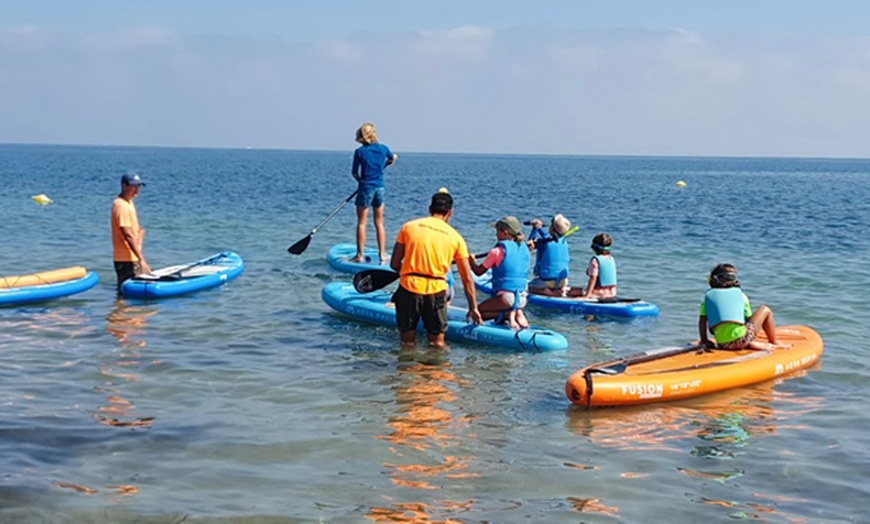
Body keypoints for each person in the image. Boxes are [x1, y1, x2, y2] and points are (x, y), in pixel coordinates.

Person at [390, 191, 483, 348]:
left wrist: (408, 271)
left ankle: (407, 371)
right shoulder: (456, 238)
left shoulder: (408, 227)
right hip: (437, 291)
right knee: (437, 343)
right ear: (450, 213)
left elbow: (394, 263)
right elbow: (467, 279)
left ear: (429, 209)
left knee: (407, 343)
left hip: (409, 287)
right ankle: (438, 371)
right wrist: (473, 307)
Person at [699, 263, 787, 351]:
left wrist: (704, 340)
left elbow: (702, 322)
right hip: (741, 340)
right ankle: (774, 341)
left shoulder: (708, 298)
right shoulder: (741, 296)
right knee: (765, 309)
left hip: (722, 343)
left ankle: (748, 343)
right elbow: (748, 320)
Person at [469, 216, 531, 329]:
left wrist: (471, 262)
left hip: (507, 298)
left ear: (504, 233)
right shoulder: (525, 248)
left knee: (476, 312)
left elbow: (478, 272)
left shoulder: (496, 251)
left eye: (497, 231)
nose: (496, 235)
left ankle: (507, 314)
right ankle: (516, 312)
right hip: (522, 297)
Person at [351, 122, 398, 265]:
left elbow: (354, 173)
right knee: (379, 223)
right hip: (379, 188)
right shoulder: (383, 148)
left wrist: (360, 181)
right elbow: (392, 157)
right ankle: (382, 254)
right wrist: (391, 161)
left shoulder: (360, 152)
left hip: (366, 188)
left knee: (362, 223)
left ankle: (359, 255)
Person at [111, 172, 151, 292]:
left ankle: (120, 309)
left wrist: (140, 236)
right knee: (127, 293)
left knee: (128, 295)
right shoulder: (121, 205)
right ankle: (120, 310)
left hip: (131, 257)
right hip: (126, 259)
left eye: (138, 186)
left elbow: (132, 233)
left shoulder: (129, 202)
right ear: (124, 186)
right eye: (133, 186)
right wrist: (141, 259)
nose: (137, 190)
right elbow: (127, 234)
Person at [527, 214, 577, 297]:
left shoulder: (545, 243)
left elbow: (530, 244)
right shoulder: (563, 241)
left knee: (530, 287)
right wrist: (539, 229)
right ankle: (559, 290)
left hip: (547, 280)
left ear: (552, 228)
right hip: (563, 281)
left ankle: (548, 292)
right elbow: (547, 238)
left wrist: (535, 229)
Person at [581, 232, 617, 299]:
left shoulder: (595, 260)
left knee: (572, 291)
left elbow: (593, 279)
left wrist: (587, 295)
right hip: (612, 292)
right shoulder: (611, 259)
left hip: (599, 293)